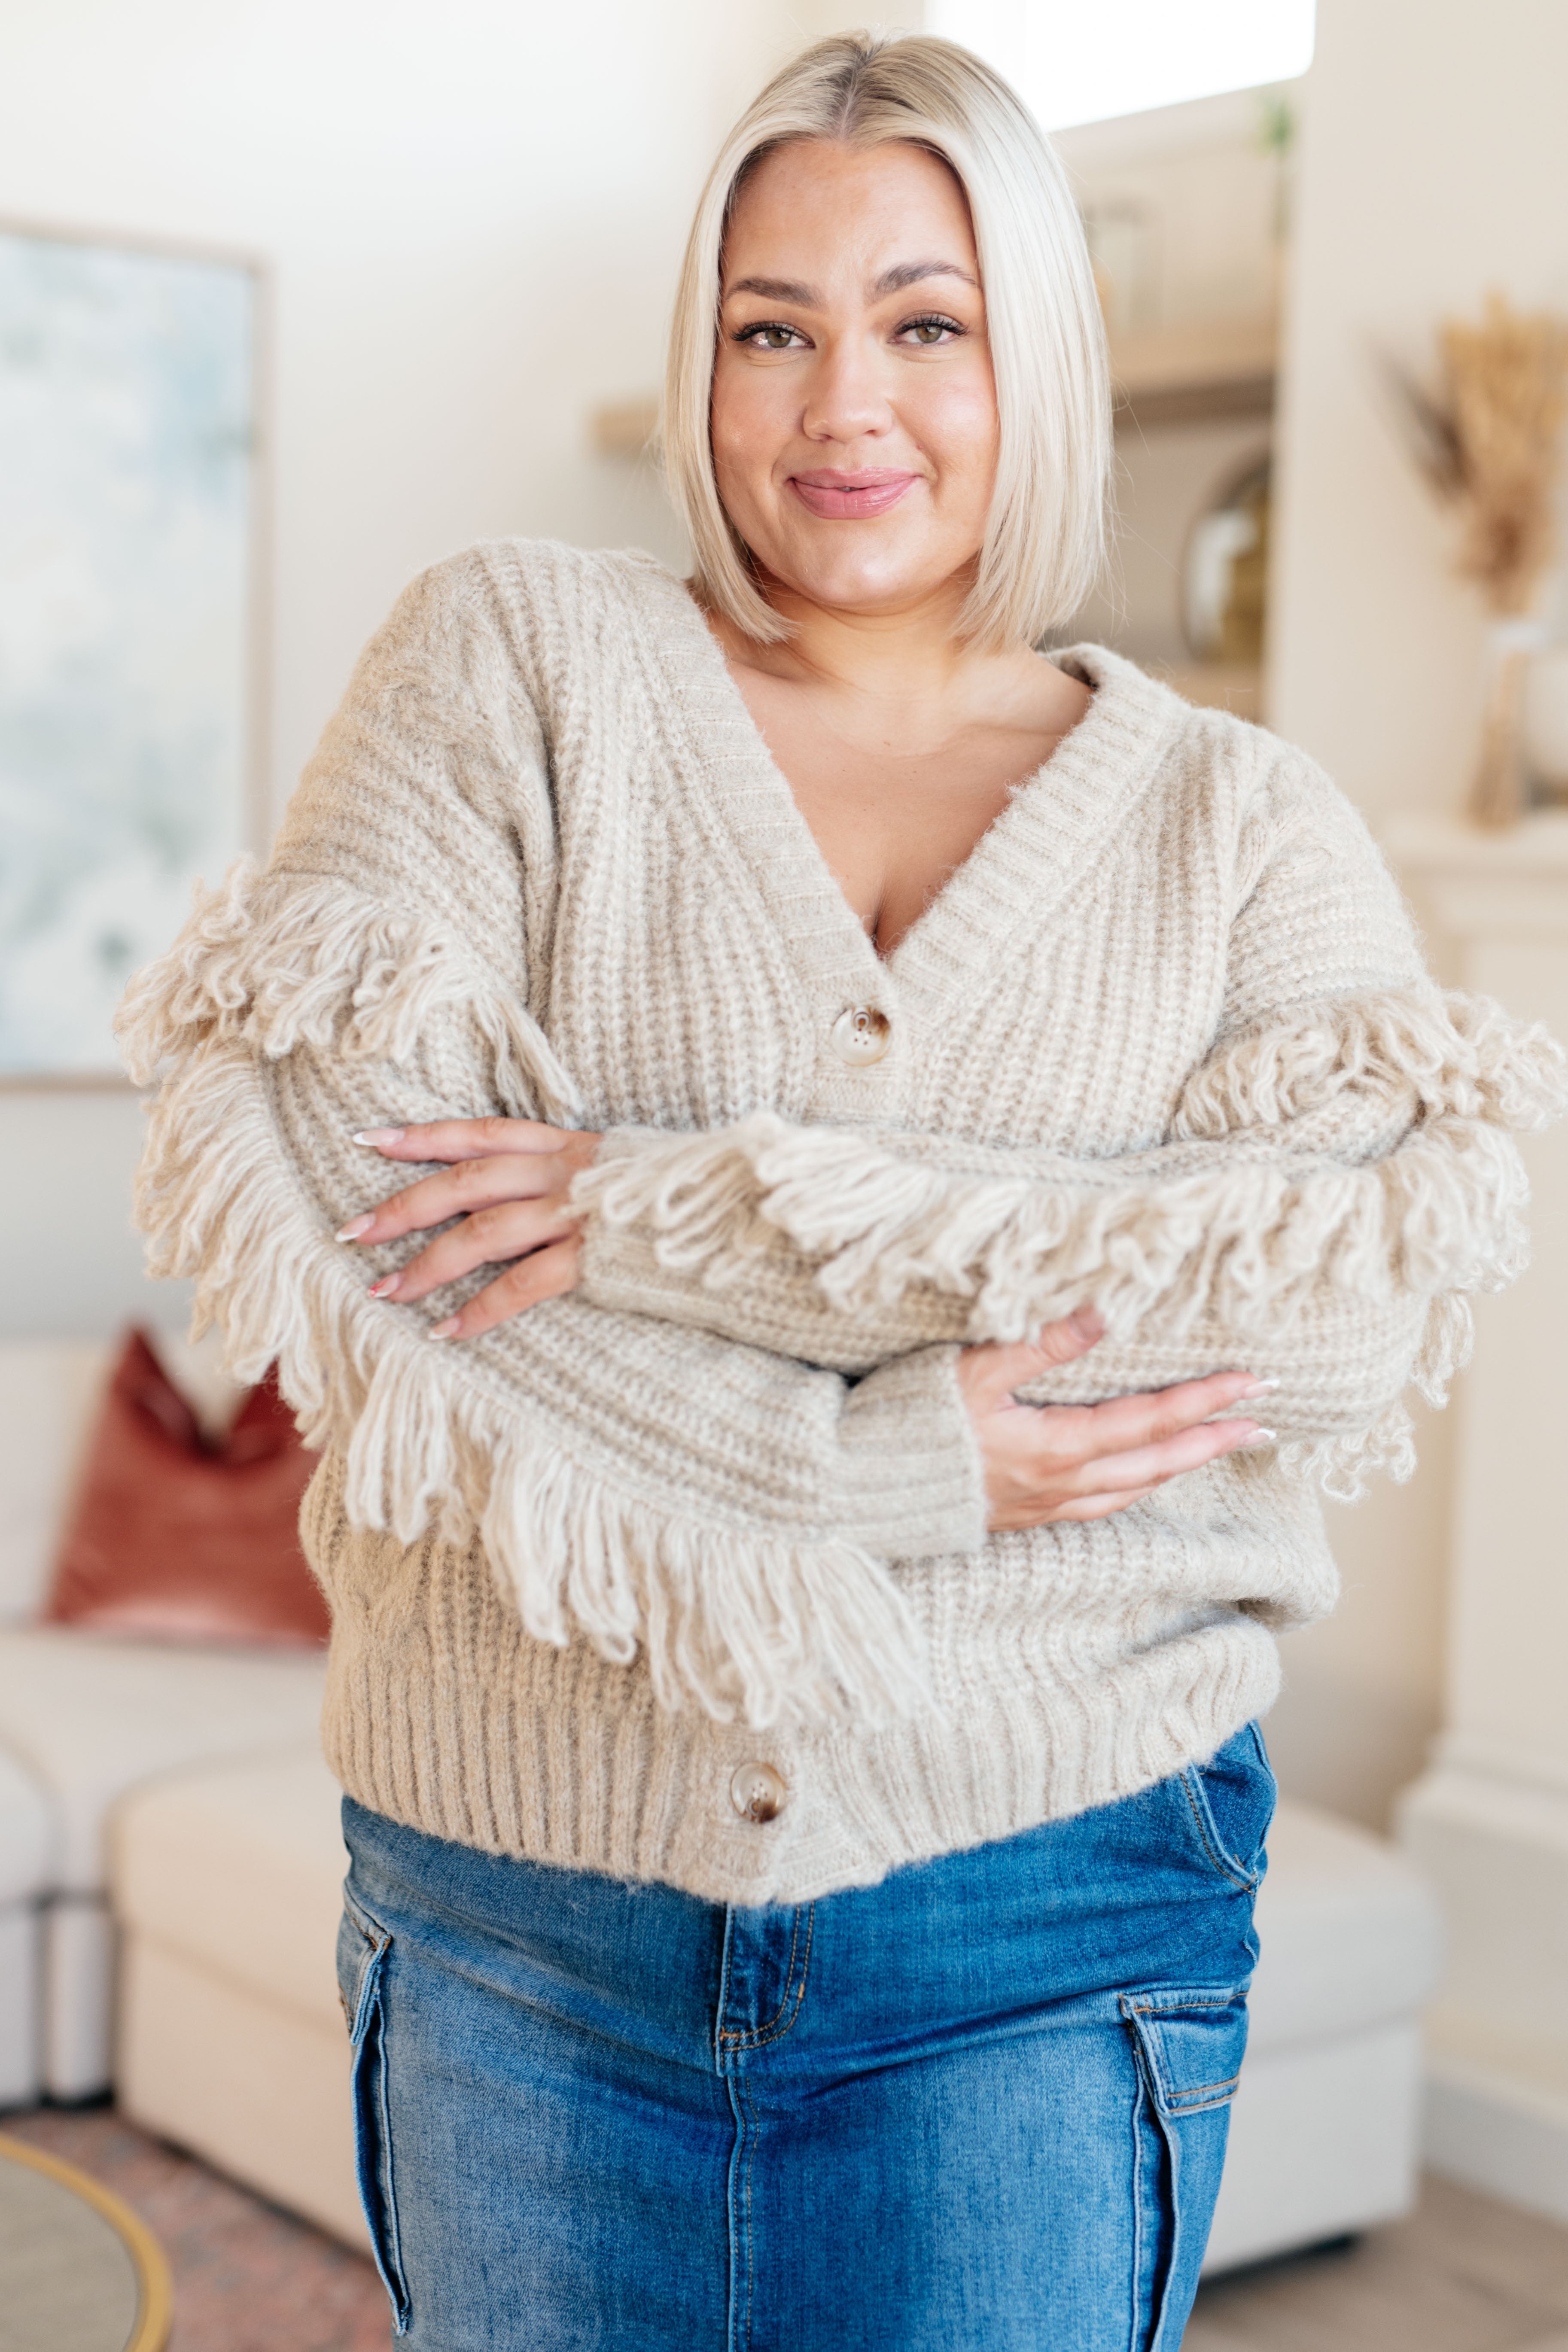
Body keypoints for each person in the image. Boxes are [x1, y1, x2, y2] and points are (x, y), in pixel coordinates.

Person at [118, 32, 1563, 2352]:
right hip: (525, 1917)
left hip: (1042, 1917)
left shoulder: (1238, 828)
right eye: (769, 328)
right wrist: (887, 1455)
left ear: (1035, 354)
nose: (839, 407)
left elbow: (1313, 1316)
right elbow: (352, 1199)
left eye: (924, 322)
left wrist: (645, 1214)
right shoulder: (511, 668)